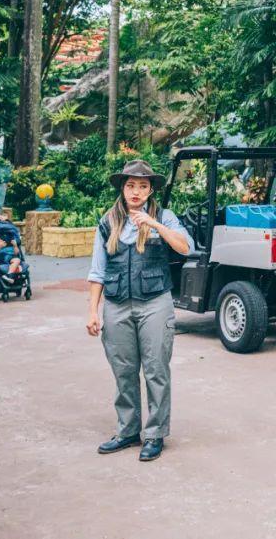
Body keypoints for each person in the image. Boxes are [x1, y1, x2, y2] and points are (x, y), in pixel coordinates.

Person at [86, 160, 192, 462]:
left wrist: (153, 223)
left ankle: (155, 433)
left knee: (156, 369)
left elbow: (185, 247)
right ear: (123, 187)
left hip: (155, 303)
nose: (136, 191)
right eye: (131, 185)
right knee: (123, 370)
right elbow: (97, 271)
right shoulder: (108, 222)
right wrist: (93, 311)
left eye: (143, 186)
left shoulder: (164, 216)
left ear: (150, 190)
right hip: (117, 305)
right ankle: (128, 430)